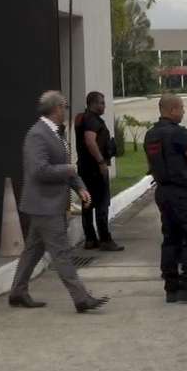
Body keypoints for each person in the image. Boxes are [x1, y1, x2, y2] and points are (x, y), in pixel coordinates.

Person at [10, 91, 109, 313]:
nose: (66, 110)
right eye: (64, 106)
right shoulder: (38, 135)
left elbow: (65, 167)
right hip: (44, 205)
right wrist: (70, 169)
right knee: (61, 252)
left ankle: (17, 291)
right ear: (55, 109)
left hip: (48, 204)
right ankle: (81, 298)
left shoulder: (55, 133)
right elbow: (39, 171)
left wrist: (80, 187)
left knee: (33, 251)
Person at [144, 94, 187, 304]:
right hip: (182, 193)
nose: (183, 112)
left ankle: (171, 288)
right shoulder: (179, 133)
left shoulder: (151, 134)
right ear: (172, 110)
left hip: (163, 192)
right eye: (181, 108)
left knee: (170, 239)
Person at [75, 91, 124, 252]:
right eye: (101, 103)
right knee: (102, 204)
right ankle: (105, 240)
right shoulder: (92, 120)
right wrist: (101, 162)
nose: (104, 106)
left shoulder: (82, 119)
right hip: (95, 169)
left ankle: (90, 239)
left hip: (84, 168)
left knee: (87, 203)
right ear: (93, 104)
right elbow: (90, 141)